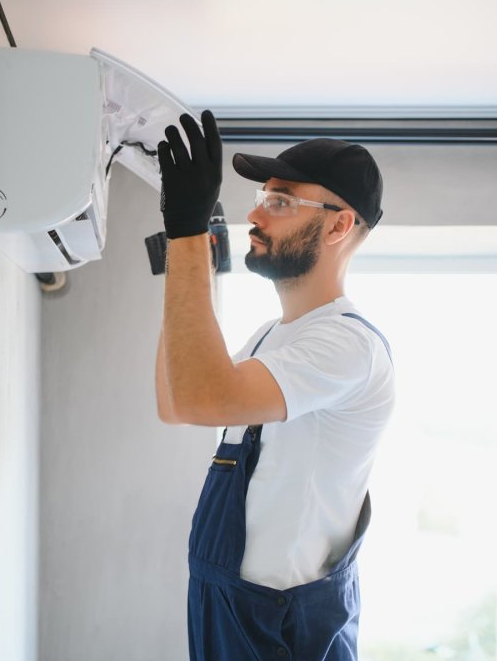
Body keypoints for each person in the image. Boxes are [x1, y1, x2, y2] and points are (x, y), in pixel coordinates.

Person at [154, 110, 396, 660]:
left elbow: (200, 398)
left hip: (280, 628)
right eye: (262, 196)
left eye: (281, 201)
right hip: (226, 603)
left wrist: (187, 234)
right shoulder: (271, 337)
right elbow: (176, 401)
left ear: (338, 226)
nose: (255, 213)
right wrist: (184, 256)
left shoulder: (348, 345)